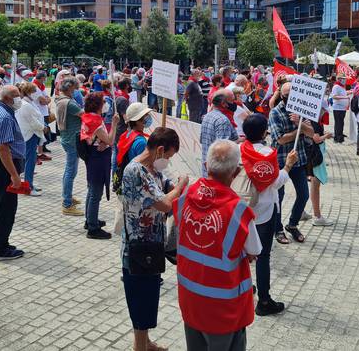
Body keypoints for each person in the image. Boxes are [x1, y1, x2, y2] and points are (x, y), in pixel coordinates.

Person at [175, 139, 260, 351]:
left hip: (190, 298)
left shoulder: (185, 197)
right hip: (223, 308)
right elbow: (255, 250)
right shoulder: (238, 210)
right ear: (237, 172)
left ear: (206, 166)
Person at [121, 127, 188, 351]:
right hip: (139, 246)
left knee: (148, 297)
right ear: (160, 150)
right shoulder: (137, 171)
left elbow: (164, 188)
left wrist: (177, 186)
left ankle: (145, 342)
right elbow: (164, 203)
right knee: (140, 299)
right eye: (168, 156)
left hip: (151, 244)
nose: (168, 161)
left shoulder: (152, 169)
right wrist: (180, 186)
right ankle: (140, 347)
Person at [241, 114, 298, 316]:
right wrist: (288, 165)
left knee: (241, 252)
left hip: (240, 209)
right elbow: (274, 182)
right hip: (263, 211)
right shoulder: (268, 153)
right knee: (262, 255)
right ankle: (264, 301)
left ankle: (244, 287)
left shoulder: (237, 149)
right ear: (265, 131)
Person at [0, 85, 26, 261]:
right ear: (8, 98)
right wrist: (15, 175)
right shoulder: (4, 117)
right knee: (7, 209)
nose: (20, 99)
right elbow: (3, 149)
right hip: (3, 167)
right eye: (17, 96)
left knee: (1, 207)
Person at [268, 82, 313, 244]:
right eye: (287, 96)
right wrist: (299, 130)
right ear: (282, 96)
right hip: (280, 161)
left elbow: (312, 133)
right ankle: (277, 229)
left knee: (304, 195)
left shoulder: (301, 111)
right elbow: (280, 139)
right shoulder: (275, 113)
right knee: (278, 198)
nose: (290, 99)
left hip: (298, 160)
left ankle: (292, 224)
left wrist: (300, 122)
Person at [81, 92, 120, 239]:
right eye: (103, 102)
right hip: (98, 159)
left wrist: (102, 141)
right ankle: (92, 228)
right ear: (98, 105)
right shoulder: (95, 120)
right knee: (95, 193)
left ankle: (90, 219)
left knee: (91, 190)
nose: (106, 105)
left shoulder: (89, 116)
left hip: (94, 156)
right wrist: (115, 124)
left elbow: (96, 139)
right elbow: (110, 140)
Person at [56, 77, 84, 217]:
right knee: (70, 172)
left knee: (70, 171)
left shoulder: (61, 100)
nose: (75, 91)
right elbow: (84, 115)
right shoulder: (69, 103)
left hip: (68, 138)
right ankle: (67, 204)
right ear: (68, 88)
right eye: (74, 88)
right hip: (72, 140)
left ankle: (68, 196)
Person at [200, 89, 239, 178]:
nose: (234, 103)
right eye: (232, 100)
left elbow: (203, 141)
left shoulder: (207, 116)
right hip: (218, 173)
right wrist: (240, 140)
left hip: (207, 168)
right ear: (223, 103)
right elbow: (223, 150)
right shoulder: (223, 120)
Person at [16, 82, 46, 196]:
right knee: (29, 161)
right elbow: (33, 122)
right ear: (28, 92)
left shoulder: (29, 103)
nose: (35, 94)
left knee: (31, 161)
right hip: (29, 134)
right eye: (34, 91)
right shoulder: (25, 105)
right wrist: (43, 128)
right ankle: (28, 186)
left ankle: (30, 184)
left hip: (32, 134)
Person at [330, 75, 349, 143]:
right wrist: (345, 98)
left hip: (342, 108)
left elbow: (343, 94)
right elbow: (334, 96)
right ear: (339, 79)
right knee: (338, 123)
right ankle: (337, 138)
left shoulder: (342, 86)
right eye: (343, 79)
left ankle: (340, 135)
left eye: (345, 79)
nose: (345, 80)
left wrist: (349, 92)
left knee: (341, 123)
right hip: (337, 108)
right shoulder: (336, 86)